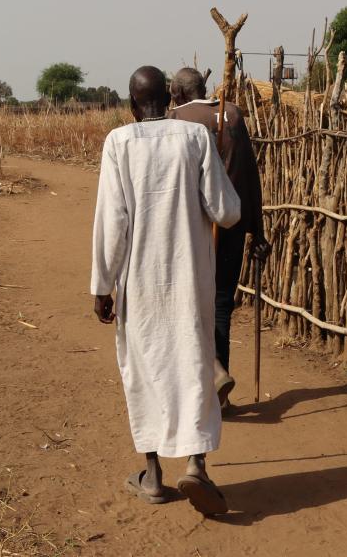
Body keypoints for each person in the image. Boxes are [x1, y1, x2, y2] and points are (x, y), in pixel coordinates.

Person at [91, 65, 241, 515]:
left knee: (145, 369)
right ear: (170, 101)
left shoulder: (118, 143)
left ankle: (153, 476)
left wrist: (101, 285)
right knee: (194, 366)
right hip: (190, 278)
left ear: (132, 105)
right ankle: (196, 466)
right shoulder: (193, 139)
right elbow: (225, 209)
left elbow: (111, 221)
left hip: (138, 282)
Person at [168, 67, 269, 407]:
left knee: (190, 303)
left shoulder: (177, 117)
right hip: (232, 221)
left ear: (178, 93)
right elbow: (249, 173)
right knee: (222, 302)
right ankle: (218, 389)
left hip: (193, 226)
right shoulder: (235, 113)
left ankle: (201, 385)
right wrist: (257, 227)